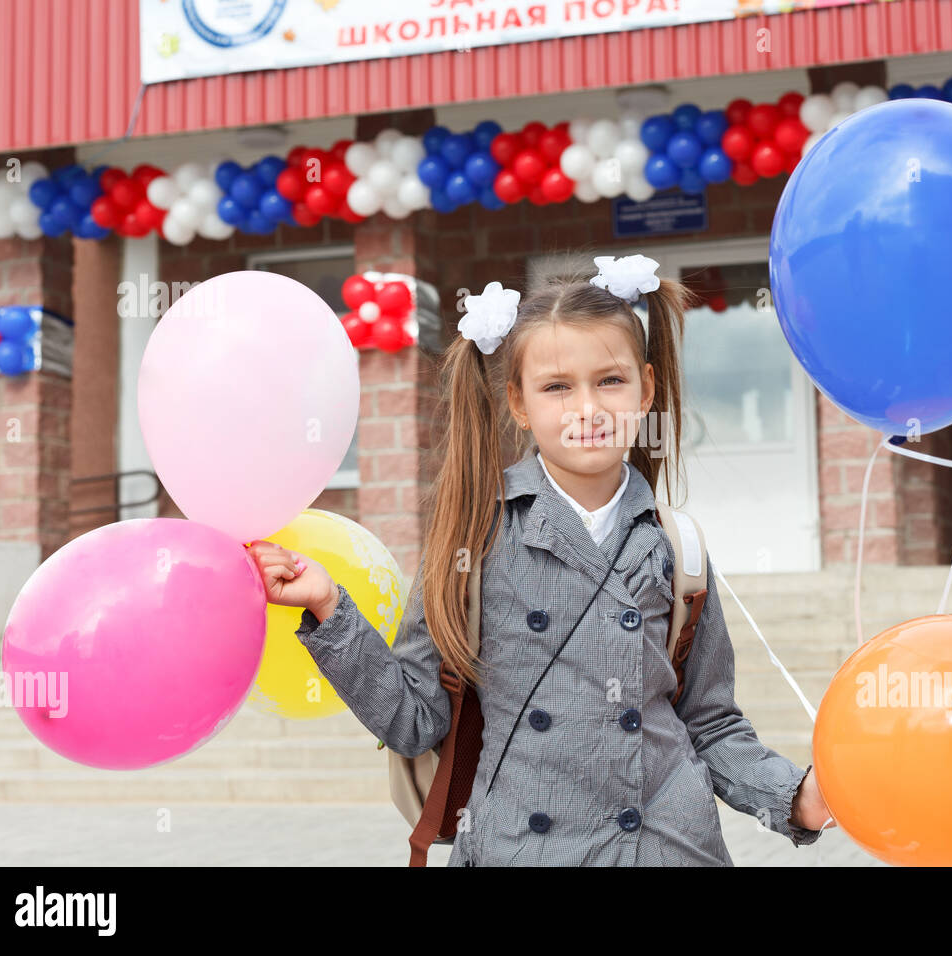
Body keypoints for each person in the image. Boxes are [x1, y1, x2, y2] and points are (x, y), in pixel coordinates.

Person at [245, 253, 835, 865]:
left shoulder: (675, 545)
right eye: (557, 387)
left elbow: (709, 724)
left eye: (610, 380)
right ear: (520, 404)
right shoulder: (470, 542)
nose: (587, 408)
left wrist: (799, 797)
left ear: (647, 387)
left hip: (668, 849)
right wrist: (329, 606)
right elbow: (415, 719)